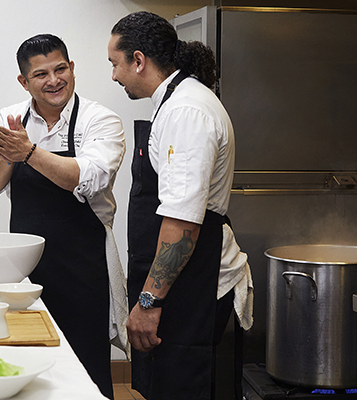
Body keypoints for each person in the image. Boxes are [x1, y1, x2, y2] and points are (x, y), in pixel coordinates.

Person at [0, 34, 127, 400]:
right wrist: (9, 155)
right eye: (41, 74)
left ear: (72, 68)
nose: (54, 80)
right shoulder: (11, 119)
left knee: (86, 367)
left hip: (82, 268)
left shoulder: (99, 119)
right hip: (23, 272)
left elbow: (89, 178)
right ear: (24, 82)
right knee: (26, 361)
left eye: (61, 69)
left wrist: (27, 151)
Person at [108, 11, 253, 400]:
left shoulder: (186, 112)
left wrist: (149, 302)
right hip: (182, 278)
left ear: (138, 60)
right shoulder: (173, 102)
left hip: (194, 281)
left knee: (181, 387)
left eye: (115, 64)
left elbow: (184, 225)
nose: (114, 76)